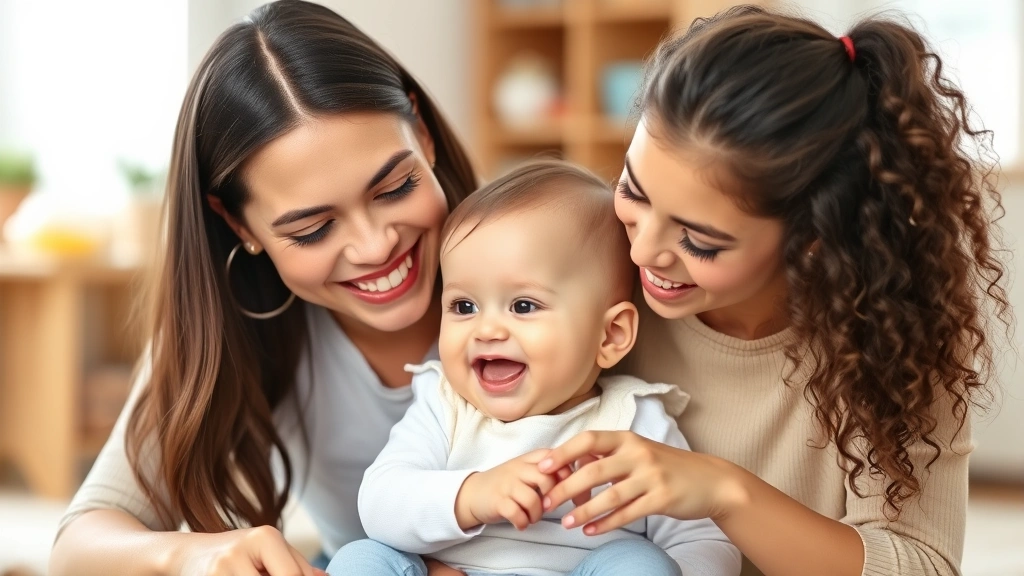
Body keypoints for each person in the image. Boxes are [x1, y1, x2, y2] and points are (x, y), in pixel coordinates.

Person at [535, 6, 1012, 576]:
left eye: (698, 241)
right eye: (633, 192)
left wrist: (726, 492)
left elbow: (922, 563)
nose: (642, 253)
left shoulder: (890, 339)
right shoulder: (595, 274)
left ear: (812, 237)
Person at [48, 1, 478, 575]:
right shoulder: (233, 324)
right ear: (240, 225)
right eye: (313, 229)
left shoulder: (541, 246)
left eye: (396, 188)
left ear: (422, 134)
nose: (375, 247)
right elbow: (78, 547)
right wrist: (190, 556)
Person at [328, 161, 741, 576]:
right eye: (463, 306)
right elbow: (380, 503)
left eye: (523, 306)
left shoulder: (635, 421)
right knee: (360, 559)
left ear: (611, 335)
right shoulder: (444, 405)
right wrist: (474, 495)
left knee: (640, 564)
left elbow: (702, 540)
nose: (486, 329)